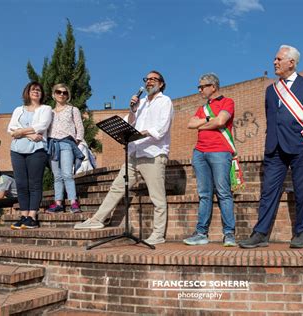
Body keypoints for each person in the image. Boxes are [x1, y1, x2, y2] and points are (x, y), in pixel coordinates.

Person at [74, 70, 174, 246]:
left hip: (153, 155)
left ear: (161, 84)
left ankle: (158, 234)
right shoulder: (141, 103)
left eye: (153, 79)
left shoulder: (165, 102)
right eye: (147, 79)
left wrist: (138, 134)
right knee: (117, 187)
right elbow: (129, 123)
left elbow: (161, 129)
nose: (149, 82)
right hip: (134, 154)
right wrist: (133, 110)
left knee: (157, 197)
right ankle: (98, 219)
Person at [239, 45, 303, 249]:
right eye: (275, 60)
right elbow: (272, 118)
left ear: (291, 62)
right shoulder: (271, 90)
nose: (274, 63)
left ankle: (301, 233)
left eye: (278, 59)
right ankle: (260, 233)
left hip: (300, 146)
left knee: (302, 190)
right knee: (268, 191)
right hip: (274, 147)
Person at [183, 73, 236, 247]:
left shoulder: (227, 102)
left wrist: (203, 123)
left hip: (220, 151)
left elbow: (221, 121)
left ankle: (229, 234)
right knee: (204, 194)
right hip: (199, 152)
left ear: (213, 87)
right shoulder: (202, 108)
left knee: (223, 192)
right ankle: (201, 233)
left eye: (202, 86)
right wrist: (207, 120)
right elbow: (190, 124)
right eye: (198, 87)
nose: (200, 89)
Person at [8, 81, 52, 229]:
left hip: (37, 150)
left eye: (39, 90)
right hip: (16, 150)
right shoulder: (18, 110)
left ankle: (32, 217)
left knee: (34, 184)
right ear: (27, 92)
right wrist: (30, 135)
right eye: (33, 89)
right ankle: (24, 215)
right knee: (21, 184)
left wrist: (20, 132)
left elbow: (42, 126)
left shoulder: (46, 109)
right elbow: (11, 128)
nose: (36, 92)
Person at [46, 84, 85, 213]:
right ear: (53, 94)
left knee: (67, 174)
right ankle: (58, 203)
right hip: (52, 144)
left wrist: (76, 142)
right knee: (56, 176)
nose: (62, 94)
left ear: (67, 96)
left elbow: (80, 128)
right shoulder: (49, 112)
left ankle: (73, 202)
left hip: (67, 143)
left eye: (65, 93)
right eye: (58, 92)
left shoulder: (73, 109)